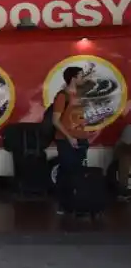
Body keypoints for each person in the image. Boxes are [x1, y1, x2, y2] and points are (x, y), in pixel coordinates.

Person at [51, 66, 89, 216]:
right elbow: (55, 120)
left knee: (78, 171)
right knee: (66, 171)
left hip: (81, 138)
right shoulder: (62, 96)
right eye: (80, 76)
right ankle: (63, 203)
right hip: (66, 139)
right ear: (73, 78)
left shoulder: (79, 95)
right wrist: (69, 137)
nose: (82, 78)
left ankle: (75, 202)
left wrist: (83, 125)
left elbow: (77, 115)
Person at [116, 118, 131, 201]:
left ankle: (123, 192)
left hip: (125, 153)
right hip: (124, 153)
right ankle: (122, 192)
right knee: (125, 159)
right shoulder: (129, 128)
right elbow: (126, 147)